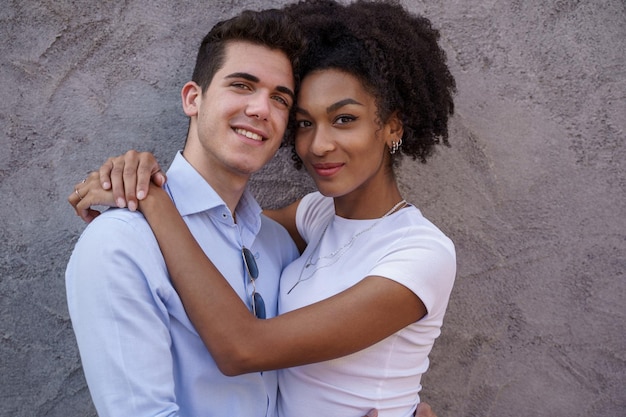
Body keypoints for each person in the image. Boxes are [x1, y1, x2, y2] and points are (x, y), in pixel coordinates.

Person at [70, 1, 453, 416]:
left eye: (344, 119)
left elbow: (244, 348)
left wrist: (153, 198)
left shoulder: (413, 251)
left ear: (392, 126)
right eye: (305, 122)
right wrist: (135, 181)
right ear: (192, 98)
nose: (319, 144)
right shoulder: (122, 242)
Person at [66, 8, 305, 417]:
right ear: (193, 98)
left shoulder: (278, 245)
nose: (262, 109)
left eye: (279, 98)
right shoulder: (120, 242)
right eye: (242, 85)